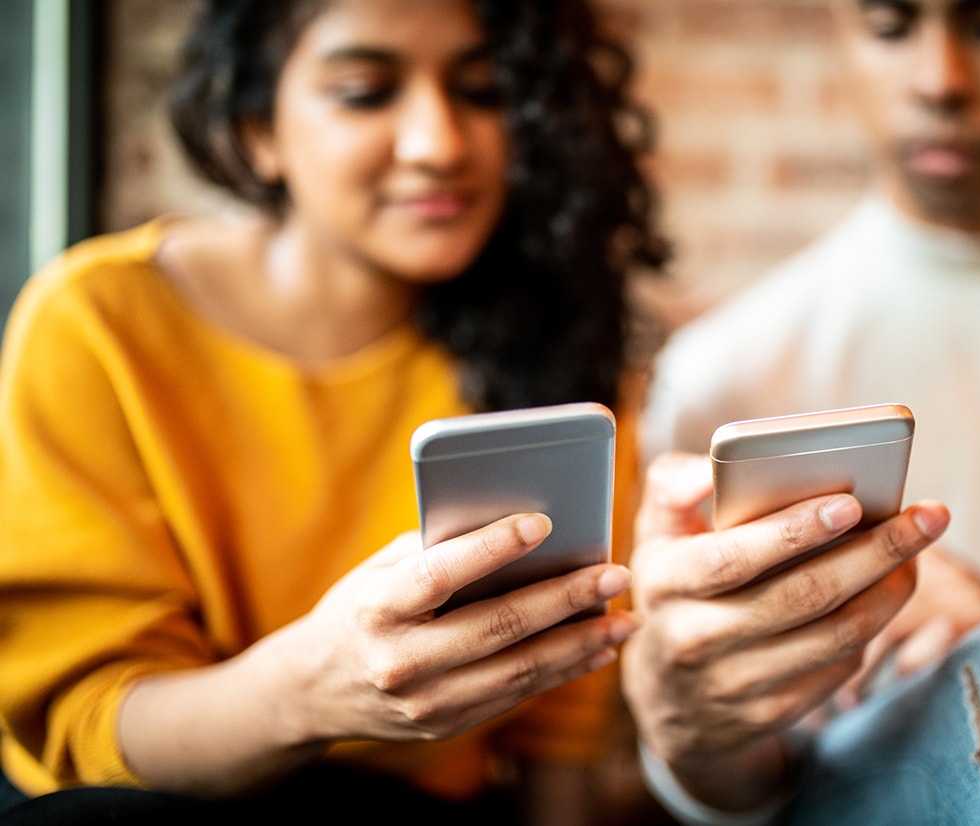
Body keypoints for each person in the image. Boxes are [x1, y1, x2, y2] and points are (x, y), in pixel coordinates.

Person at [0, 1, 672, 823]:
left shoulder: (557, 342)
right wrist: (311, 690)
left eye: (484, 90)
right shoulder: (97, 322)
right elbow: (92, 721)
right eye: (364, 91)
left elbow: (557, 736)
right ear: (259, 132)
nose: (439, 144)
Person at [624, 0, 980, 822]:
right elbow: (735, 792)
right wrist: (691, 729)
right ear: (842, 34)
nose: (940, 81)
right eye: (892, 27)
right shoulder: (726, 372)